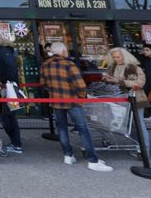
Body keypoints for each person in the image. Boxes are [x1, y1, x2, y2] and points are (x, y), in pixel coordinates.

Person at [40, 42, 113, 172]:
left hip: (56, 100)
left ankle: (68, 155)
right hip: (72, 100)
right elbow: (80, 85)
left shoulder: (45, 65)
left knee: (62, 127)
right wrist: (82, 96)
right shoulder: (69, 65)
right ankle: (93, 160)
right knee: (83, 129)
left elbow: (43, 83)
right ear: (63, 51)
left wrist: (53, 92)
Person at [102, 47, 151, 157]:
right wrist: (107, 79)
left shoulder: (134, 67)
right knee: (130, 125)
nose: (116, 59)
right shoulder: (112, 67)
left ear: (125, 56)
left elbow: (140, 83)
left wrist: (119, 81)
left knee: (139, 124)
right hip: (120, 99)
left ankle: (145, 151)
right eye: (114, 57)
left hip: (136, 98)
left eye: (118, 57)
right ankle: (139, 147)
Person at [0, 35, 23, 154]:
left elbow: (11, 68)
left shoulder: (4, 51)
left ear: (1, 41)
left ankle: (16, 144)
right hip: (4, 88)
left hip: (7, 90)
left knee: (7, 116)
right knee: (6, 115)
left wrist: (4, 82)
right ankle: (16, 143)